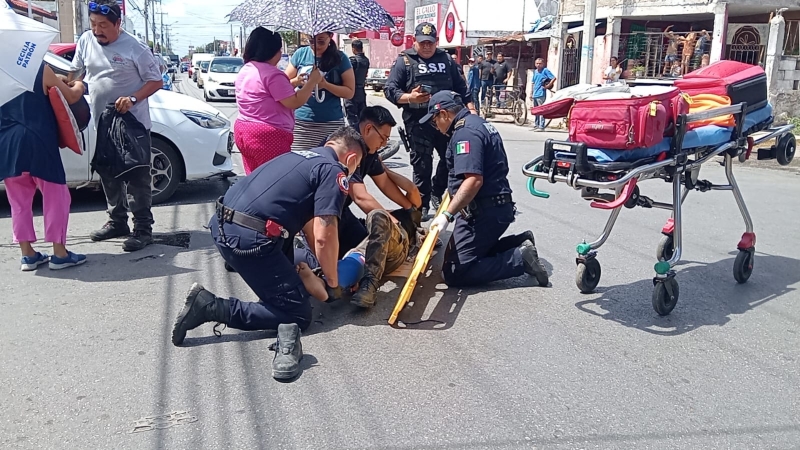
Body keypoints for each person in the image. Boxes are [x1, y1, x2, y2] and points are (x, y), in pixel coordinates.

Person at [171, 126, 366, 380]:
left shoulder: (298, 156)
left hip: (224, 226)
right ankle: (210, 306)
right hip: (249, 241)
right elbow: (323, 234)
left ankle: (272, 291)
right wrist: (331, 280)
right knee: (297, 314)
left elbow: (306, 225)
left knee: (291, 289)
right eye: (356, 166)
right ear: (351, 159)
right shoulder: (334, 172)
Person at [420, 91, 549, 287]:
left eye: (434, 121)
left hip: (483, 212)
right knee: (462, 253)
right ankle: (518, 243)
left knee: (455, 271)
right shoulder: (477, 123)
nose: (435, 127)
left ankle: (520, 258)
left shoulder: (465, 133)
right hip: (494, 206)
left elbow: (473, 181)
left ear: (444, 114)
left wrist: (446, 215)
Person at [72, 0, 164, 252]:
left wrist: (133, 98)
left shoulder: (136, 48)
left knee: (136, 177)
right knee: (107, 173)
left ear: (117, 24)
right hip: (101, 121)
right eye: (93, 24)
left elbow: (155, 80)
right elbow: (77, 73)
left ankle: (143, 229)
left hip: (132, 125)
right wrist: (67, 84)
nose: (97, 30)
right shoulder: (85, 41)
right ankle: (117, 221)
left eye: (103, 25)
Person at [0, 63, 88, 271]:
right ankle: (60, 253)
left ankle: (28, 254)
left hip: (7, 142)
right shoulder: (37, 68)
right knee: (56, 195)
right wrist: (80, 84)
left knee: (19, 201)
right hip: (37, 138)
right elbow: (72, 96)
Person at [384, 22, 476, 219]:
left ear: (436, 42)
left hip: (447, 121)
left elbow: (462, 88)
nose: (426, 46)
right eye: (422, 42)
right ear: (415, 42)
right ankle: (422, 204)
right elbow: (390, 90)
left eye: (430, 43)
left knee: (451, 160)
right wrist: (410, 97)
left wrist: (472, 111)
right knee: (422, 164)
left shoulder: (447, 60)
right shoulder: (405, 61)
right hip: (418, 122)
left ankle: (438, 191)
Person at [234, 27, 323, 174]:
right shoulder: (273, 74)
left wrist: (293, 83)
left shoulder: (247, 69)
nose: (281, 54)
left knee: (254, 180)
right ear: (271, 51)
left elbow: (266, 93)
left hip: (243, 129)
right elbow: (294, 101)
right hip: (267, 136)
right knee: (274, 181)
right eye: (279, 50)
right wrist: (312, 81)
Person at [285, 32, 355, 151]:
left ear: (330, 37)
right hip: (302, 123)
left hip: (331, 122)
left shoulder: (340, 58)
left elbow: (349, 92)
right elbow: (284, 85)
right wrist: (297, 81)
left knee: (330, 164)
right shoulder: (300, 54)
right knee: (300, 163)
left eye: (321, 41)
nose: (316, 45)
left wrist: (325, 85)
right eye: (311, 41)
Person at [345, 40, 370, 126]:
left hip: (352, 91)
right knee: (362, 117)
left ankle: (355, 136)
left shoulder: (353, 60)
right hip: (361, 91)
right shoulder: (366, 60)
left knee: (351, 116)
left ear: (353, 49)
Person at [531, 58, 555, 131]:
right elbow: (533, 83)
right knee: (536, 110)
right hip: (535, 93)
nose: (538, 65)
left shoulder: (545, 70)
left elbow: (553, 78)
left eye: (540, 63)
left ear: (543, 64)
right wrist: (531, 93)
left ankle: (541, 126)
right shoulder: (535, 72)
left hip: (541, 93)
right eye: (537, 63)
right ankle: (536, 124)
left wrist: (548, 85)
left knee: (541, 110)